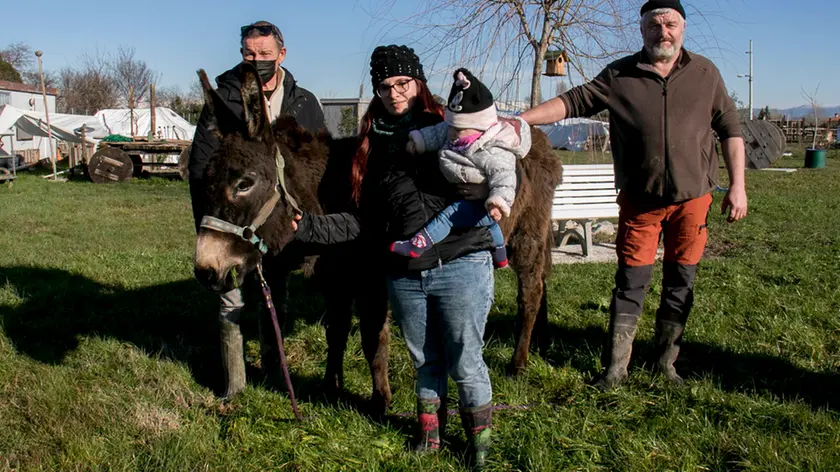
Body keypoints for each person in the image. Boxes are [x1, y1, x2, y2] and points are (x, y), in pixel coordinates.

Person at [520, 0, 748, 389]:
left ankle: (665, 362)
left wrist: (738, 186)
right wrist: (520, 120)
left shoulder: (706, 73)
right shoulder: (620, 74)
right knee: (630, 282)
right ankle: (615, 369)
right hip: (641, 201)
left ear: (683, 28)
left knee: (682, 280)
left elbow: (731, 130)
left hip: (693, 201)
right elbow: (571, 101)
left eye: (670, 23)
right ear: (642, 31)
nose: (663, 32)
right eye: (654, 25)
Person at [293, 45, 496, 469]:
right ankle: (430, 438)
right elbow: (363, 222)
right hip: (405, 271)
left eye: (402, 82)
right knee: (424, 358)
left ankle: (480, 446)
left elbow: (492, 169)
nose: (394, 92)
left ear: (417, 82)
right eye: (384, 86)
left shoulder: (449, 127)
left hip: (460, 261)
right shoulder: (369, 147)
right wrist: (309, 228)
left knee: (465, 357)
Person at [187, 20, 325, 398]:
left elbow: (314, 166)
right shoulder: (226, 100)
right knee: (232, 298)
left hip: (276, 222)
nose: (258, 60)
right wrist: (212, 228)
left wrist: (310, 228)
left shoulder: (304, 102)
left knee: (274, 294)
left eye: (265, 54)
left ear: (282, 54)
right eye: (250, 54)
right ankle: (235, 383)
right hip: (236, 218)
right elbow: (202, 170)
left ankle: (275, 372)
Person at [391, 68, 531, 269]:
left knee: (449, 216)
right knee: (490, 224)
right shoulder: (453, 133)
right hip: (470, 197)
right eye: (452, 127)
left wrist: (498, 202)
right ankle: (500, 254)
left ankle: (418, 244)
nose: (453, 133)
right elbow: (437, 134)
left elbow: (504, 177)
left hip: (481, 201)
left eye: (460, 129)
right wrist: (418, 141)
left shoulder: (495, 150)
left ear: (481, 128)